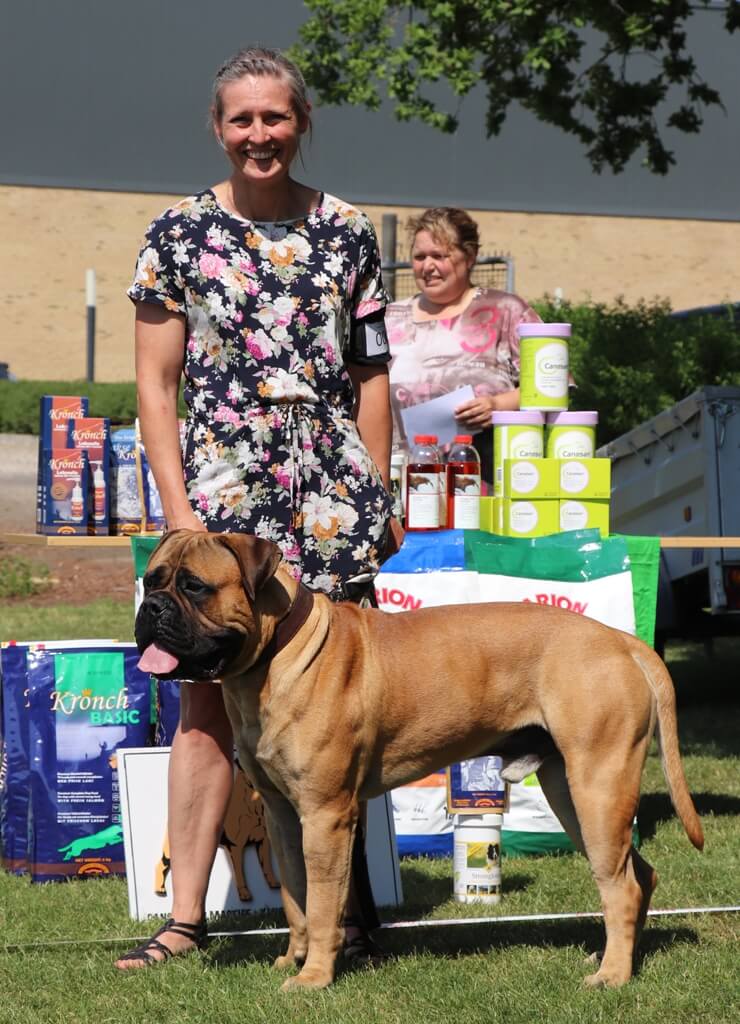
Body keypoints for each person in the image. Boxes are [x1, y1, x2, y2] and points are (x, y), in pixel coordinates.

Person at [116, 46, 402, 970]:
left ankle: (343, 920)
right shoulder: (175, 234)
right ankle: (185, 918)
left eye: (275, 116)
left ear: (301, 121)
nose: (259, 134)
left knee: (343, 706)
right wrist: (179, 515)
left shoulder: (349, 231)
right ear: (218, 127)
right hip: (219, 499)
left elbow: (370, 374)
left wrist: (374, 490)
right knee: (205, 705)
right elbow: (155, 385)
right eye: (241, 119)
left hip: (329, 495)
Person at [386, 207, 542, 483]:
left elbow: (550, 386)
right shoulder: (388, 318)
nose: (427, 266)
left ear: (469, 257)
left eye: (439, 256)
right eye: (420, 257)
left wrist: (497, 405)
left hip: (481, 478)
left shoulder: (506, 311)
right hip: (402, 480)